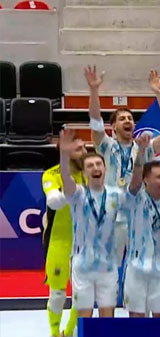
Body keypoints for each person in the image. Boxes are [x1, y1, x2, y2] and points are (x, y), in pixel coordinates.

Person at [86, 65, 160, 275]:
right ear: (114, 128)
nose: (128, 121)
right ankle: (108, 301)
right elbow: (95, 122)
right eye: (122, 119)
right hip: (114, 213)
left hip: (139, 212)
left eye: (130, 118)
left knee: (141, 262)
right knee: (110, 264)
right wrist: (94, 91)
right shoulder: (107, 146)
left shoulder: (144, 147)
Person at [58, 130, 124, 318]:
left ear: (105, 169)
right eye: (90, 165)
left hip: (108, 267)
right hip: (82, 266)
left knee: (107, 319)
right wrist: (64, 154)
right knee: (84, 319)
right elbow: (65, 177)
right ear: (85, 172)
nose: (95, 168)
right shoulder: (77, 194)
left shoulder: (116, 195)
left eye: (98, 164)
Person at [122, 146, 160, 317]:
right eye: (159, 177)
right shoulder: (135, 200)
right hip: (136, 270)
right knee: (137, 321)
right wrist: (140, 153)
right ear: (146, 180)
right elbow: (134, 182)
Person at [42, 134, 86, 337]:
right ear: (65, 152)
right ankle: (54, 332)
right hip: (59, 242)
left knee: (82, 295)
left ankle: (69, 333)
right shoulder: (51, 174)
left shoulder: (92, 171)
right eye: (78, 149)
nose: (84, 152)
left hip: (85, 245)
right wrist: (72, 192)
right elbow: (53, 202)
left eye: (85, 147)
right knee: (58, 294)